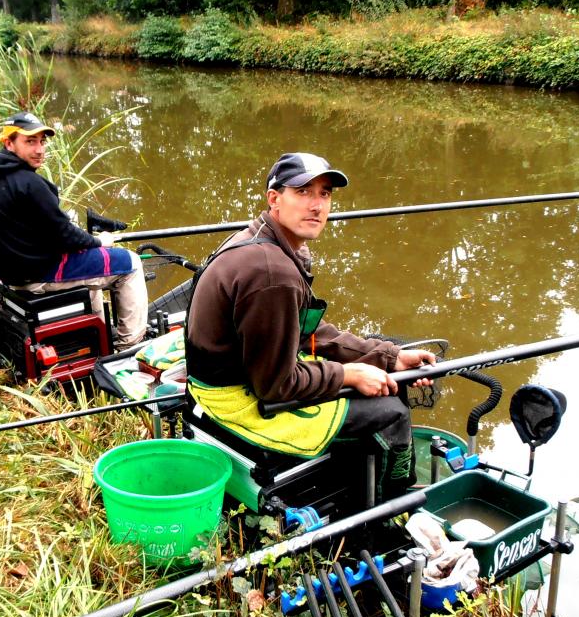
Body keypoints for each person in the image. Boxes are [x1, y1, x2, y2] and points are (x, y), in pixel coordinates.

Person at [184, 152, 437, 496]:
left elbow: (307, 331)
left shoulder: (264, 240)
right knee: (390, 411)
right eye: (303, 192)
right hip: (235, 398)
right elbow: (276, 386)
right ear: (274, 198)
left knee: (383, 373)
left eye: (325, 193)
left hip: (239, 374)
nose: (316, 205)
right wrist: (348, 375)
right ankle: (389, 507)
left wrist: (388, 357)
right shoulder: (272, 271)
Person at [0, 111, 148, 349]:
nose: (39, 150)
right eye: (30, 141)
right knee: (130, 263)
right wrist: (100, 242)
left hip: (8, 272)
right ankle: (127, 346)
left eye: (42, 141)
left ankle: (96, 339)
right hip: (41, 272)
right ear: (9, 143)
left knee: (92, 273)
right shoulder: (31, 184)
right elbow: (66, 236)